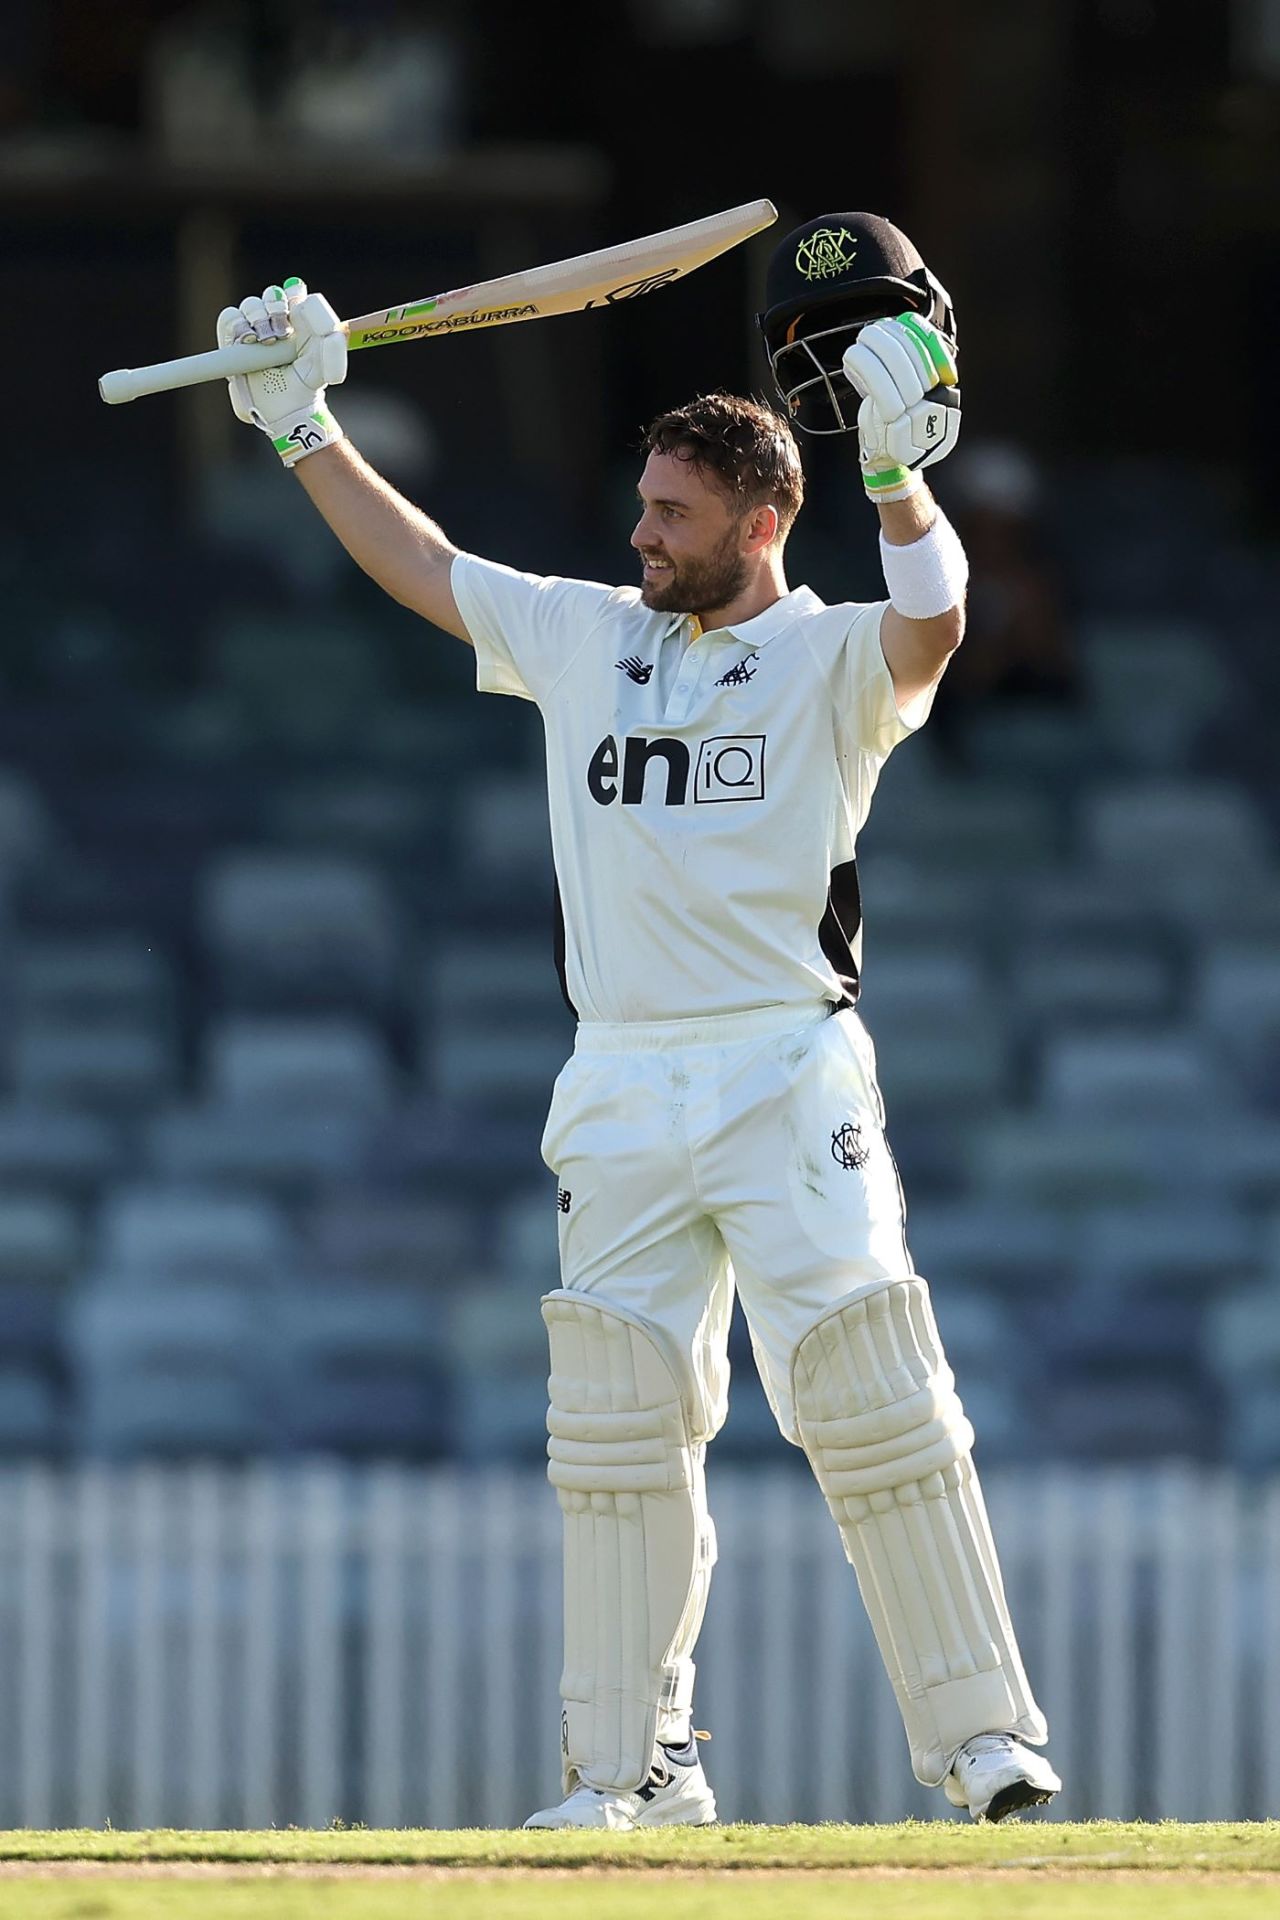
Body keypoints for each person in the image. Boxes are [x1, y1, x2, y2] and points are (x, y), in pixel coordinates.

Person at [214, 210, 1060, 1830]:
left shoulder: (828, 662)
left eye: (674, 516)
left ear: (763, 520)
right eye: (643, 507)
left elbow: (937, 623)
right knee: (613, 1428)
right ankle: (632, 1775)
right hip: (616, 1076)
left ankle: (983, 1747)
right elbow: (423, 564)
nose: (643, 536)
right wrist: (300, 425)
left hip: (782, 1059)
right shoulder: (591, 638)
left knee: (872, 1391)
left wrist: (899, 476)